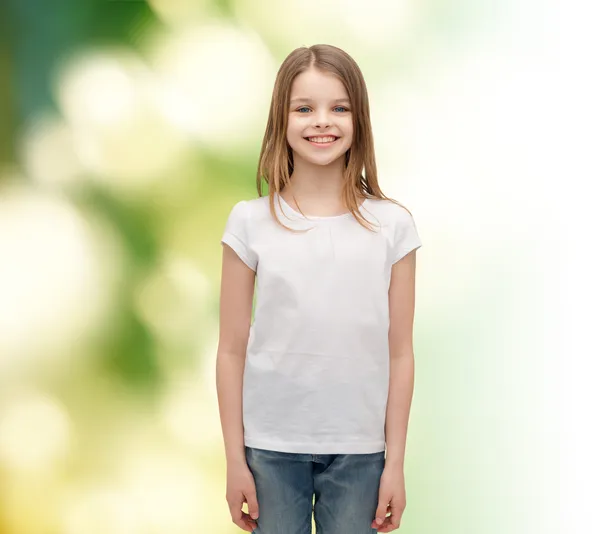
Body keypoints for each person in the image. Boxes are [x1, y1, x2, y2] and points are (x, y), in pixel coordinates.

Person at [216, 43, 422, 534]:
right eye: (304, 108)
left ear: (359, 119)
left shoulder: (393, 226)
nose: (321, 122)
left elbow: (400, 354)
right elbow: (230, 350)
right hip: (269, 448)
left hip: (361, 452)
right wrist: (234, 461)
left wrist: (394, 464)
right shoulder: (250, 222)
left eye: (339, 107)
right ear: (280, 120)